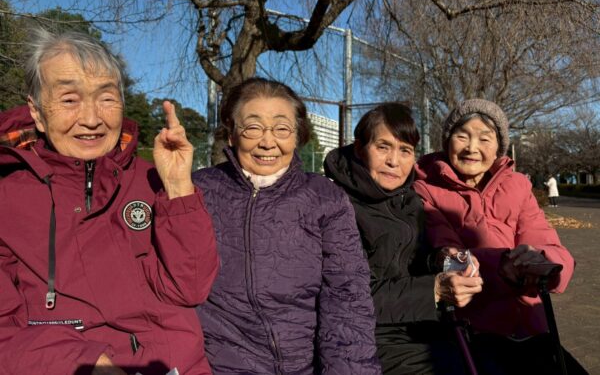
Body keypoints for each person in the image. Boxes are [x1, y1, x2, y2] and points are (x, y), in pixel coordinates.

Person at [0, 28, 218, 375]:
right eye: (69, 100)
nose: (91, 119)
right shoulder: (7, 197)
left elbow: (190, 289)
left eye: (106, 98)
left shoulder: (152, 180)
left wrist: (178, 188)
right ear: (37, 112)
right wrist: (85, 363)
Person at [192, 77, 381, 374]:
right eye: (253, 127)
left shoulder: (324, 197)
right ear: (231, 134)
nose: (268, 142)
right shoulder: (197, 191)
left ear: (297, 135)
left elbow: (347, 299)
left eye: (282, 129)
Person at [413, 99, 579, 374]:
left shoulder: (518, 185)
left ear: (499, 147)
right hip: (469, 332)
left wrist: (543, 261)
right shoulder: (425, 189)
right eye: (462, 136)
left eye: (484, 138)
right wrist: (500, 265)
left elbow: (545, 241)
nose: (472, 147)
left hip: (530, 326)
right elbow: (445, 251)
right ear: (447, 141)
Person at [324, 103, 483, 374]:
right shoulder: (336, 206)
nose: (394, 161)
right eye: (383, 147)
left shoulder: (408, 200)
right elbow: (349, 297)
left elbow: (410, 263)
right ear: (360, 148)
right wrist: (433, 290)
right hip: (366, 339)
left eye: (405, 150)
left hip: (421, 328)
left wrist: (441, 259)